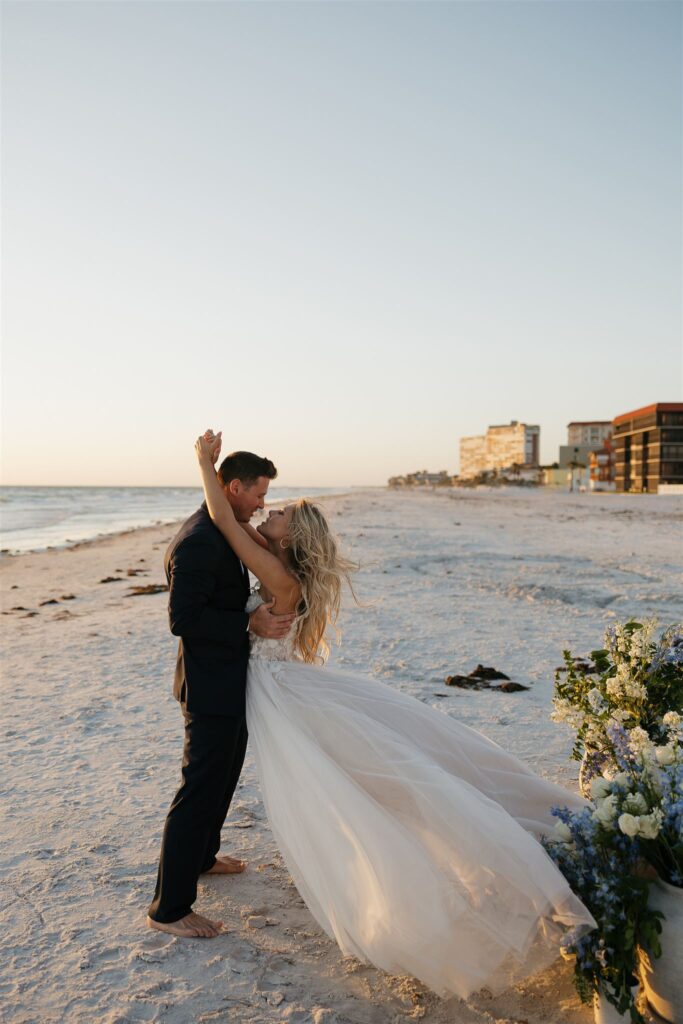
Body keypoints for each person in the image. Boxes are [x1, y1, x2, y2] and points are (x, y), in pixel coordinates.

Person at [192, 432, 596, 998]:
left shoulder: (278, 574)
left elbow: (223, 519)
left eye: (278, 511)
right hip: (290, 689)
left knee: (362, 793)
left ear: (291, 536)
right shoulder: (282, 571)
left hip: (285, 696)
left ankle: (506, 876)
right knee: (382, 786)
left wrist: (202, 463)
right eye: (270, 503)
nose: (268, 511)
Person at [146, 442, 296, 939]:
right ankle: (168, 909)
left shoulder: (224, 531)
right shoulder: (198, 542)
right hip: (209, 686)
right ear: (234, 488)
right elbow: (182, 620)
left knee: (224, 775)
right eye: (259, 494)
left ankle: (204, 856)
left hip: (233, 681)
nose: (261, 504)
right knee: (198, 790)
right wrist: (247, 621)